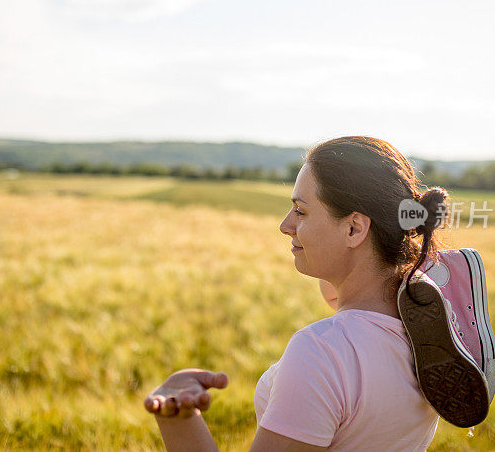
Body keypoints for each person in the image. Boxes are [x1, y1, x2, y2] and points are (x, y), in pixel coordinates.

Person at [144, 136, 449, 451]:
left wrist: (179, 420)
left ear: (354, 229)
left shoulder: (322, 351)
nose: (285, 225)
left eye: (301, 212)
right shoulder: (428, 338)